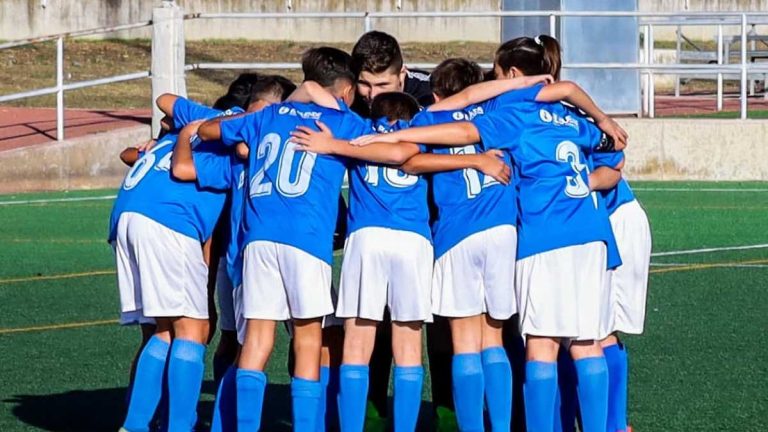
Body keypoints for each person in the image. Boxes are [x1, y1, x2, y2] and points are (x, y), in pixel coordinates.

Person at [350, 83, 626, 432]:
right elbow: (614, 154)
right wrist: (597, 153)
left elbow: (430, 150)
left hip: (515, 234)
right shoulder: (572, 119)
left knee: (508, 343)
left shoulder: (504, 116)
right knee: (585, 343)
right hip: (578, 234)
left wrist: (398, 134)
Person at [196, 47, 371, 431]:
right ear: (345, 91)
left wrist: (262, 119)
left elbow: (208, 130)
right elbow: (387, 149)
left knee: (257, 340)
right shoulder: (344, 121)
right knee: (309, 338)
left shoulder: (267, 115)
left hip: (257, 240)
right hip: (306, 239)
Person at [162, 74, 297, 432]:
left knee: (315, 339)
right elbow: (181, 160)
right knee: (244, 345)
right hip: (243, 263)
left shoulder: (291, 141)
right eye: (248, 120)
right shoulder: (233, 159)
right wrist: (186, 133)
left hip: (286, 255)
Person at [111, 91, 245, 432]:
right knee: (193, 329)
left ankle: (136, 424)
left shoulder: (178, 135)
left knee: (166, 329)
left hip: (128, 216)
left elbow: (164, 104)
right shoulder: (234, 142)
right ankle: (179, 426)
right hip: (167, 221)